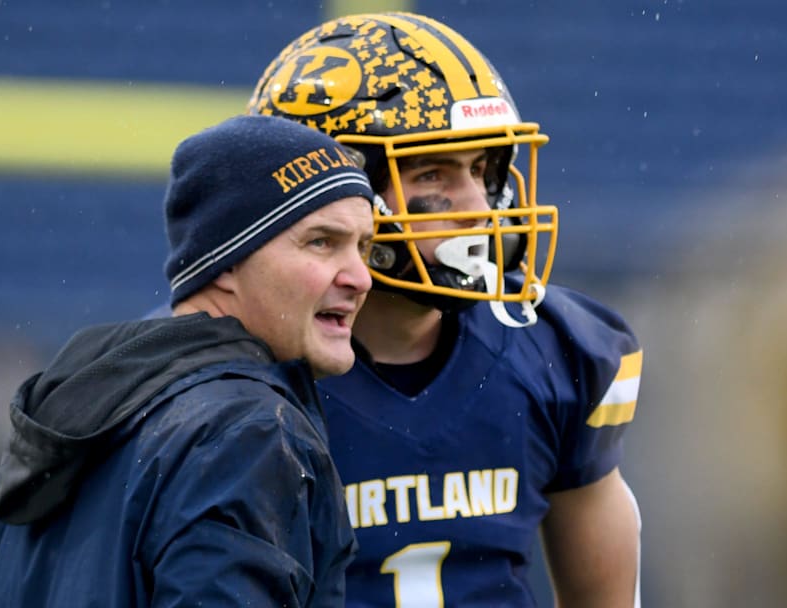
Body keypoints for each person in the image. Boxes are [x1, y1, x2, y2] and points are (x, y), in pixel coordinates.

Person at [249, 13, 644, 607]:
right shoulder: (236, 381)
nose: (477, 206)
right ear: (326, 195)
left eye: (482, 170)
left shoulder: (558, 351)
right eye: (433, 172)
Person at [0, 114, 376, 607]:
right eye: (322, 242)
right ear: (228, 259)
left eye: (363, 247)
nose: (360, 277)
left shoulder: (81, 403)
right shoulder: (244, 431)